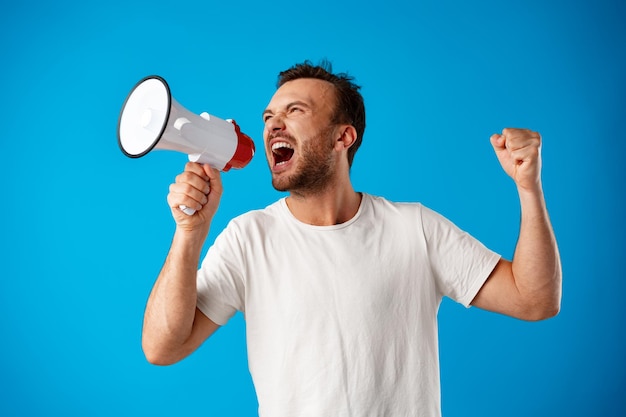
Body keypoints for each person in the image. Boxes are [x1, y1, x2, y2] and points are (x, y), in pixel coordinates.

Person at [141, 61, 562, 416]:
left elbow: (534, 299)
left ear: (343, 137)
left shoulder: (414, 228)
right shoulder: (248, 239)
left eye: (294, 111)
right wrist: (189, 234)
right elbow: (162, 347)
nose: (273, 126)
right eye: (268, 117)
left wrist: (529, 186)